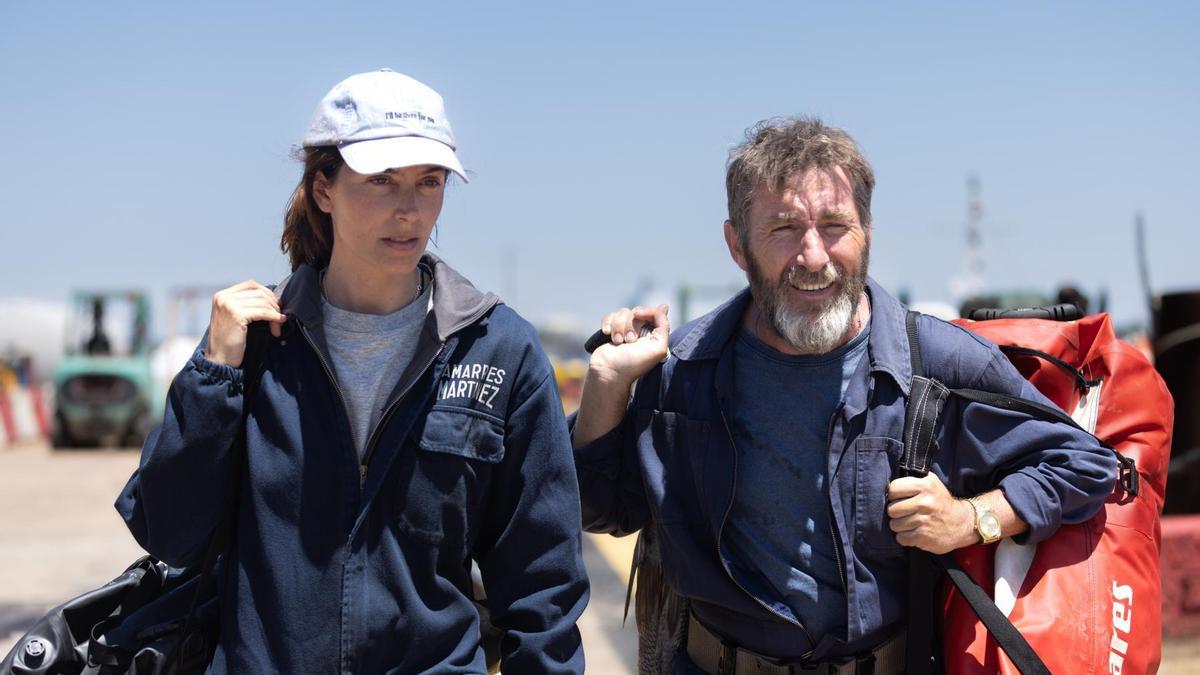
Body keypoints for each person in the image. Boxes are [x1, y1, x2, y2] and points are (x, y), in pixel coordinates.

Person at [572, 117, 1117, 674]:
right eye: (784, 229)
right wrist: (608, 386)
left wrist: (971, 517)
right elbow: (601, 509)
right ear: (737, 245)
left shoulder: (934, 362)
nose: (813, 257)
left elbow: (1087, 464)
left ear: (869, 233)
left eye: (834, 225)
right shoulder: (681, 371)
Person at [116, 69, 588, 674]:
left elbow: (542, 585)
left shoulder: (500, 350)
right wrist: (215, 375)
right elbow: (169, 533)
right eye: (381, 180)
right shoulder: (253, 347)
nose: (409, 208)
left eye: (430, 181)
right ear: (323, 190)